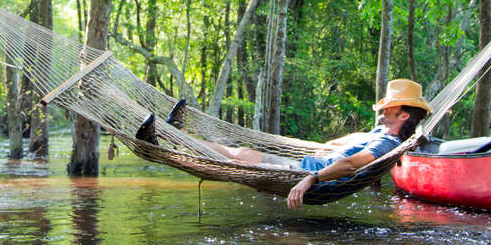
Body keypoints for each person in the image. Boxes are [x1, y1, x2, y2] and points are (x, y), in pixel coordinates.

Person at [135, 79, 432, 210]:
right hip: (304, 165)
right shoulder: (376, 133)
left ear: (402, 114)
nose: (382, 109)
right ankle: (177, 132)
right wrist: (323, 148)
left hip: (308, 178)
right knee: (241, 154)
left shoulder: (385, 143)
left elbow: (353, 164)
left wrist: (309, 179)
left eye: (389, 107)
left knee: (233, 164)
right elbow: (346, 144)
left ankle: (162, 141)